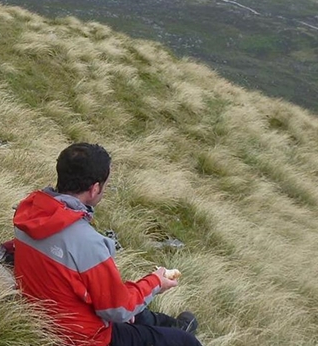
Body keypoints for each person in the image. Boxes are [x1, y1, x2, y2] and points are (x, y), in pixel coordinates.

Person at [13, 143, 201, 346]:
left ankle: (172, 326)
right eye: (105, 185)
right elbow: (118, 310)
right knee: (186, 342)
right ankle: (179, 333)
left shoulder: (28, 213)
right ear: (94, 189)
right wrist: (156, 282)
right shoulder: (87, 242)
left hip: (44, 317)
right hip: (83, 338)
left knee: (138, 311)